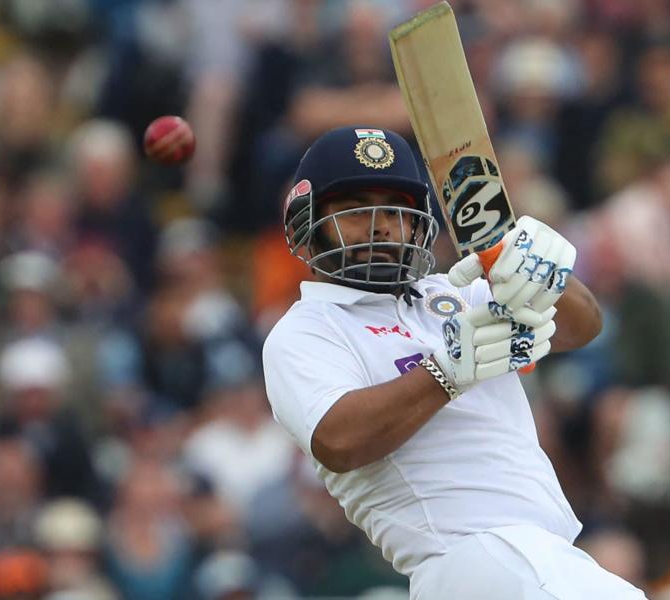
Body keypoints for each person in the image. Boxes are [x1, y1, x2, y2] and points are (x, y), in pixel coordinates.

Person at [261, 126, 649, 599]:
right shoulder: (307, 329)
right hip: (469, 555)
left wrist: (528, 263)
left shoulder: (455, 290)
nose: (381, 224)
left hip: (533, 557)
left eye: (396, 209)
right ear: (308, 221)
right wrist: (447, 371)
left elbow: (582, 327)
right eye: (354, 209)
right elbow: (338, 440)